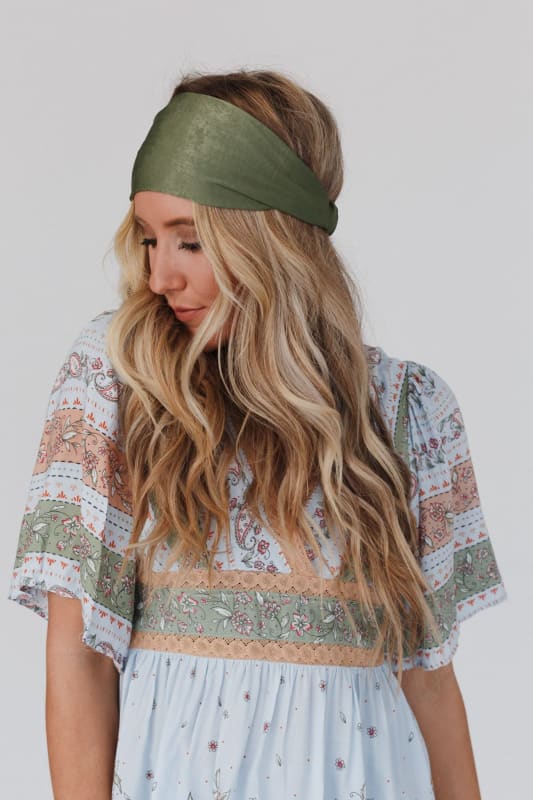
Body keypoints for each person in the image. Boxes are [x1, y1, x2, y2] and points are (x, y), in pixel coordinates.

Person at [8, 69, 507, 800]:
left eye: (190, 242)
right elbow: (79, 653)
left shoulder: (407, 410)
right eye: (147, 240)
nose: (159, 276)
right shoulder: (121, 380)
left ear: (273, 241)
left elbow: (428, 678)